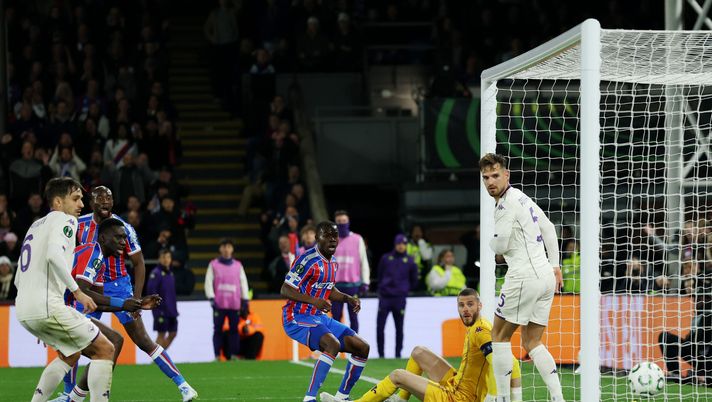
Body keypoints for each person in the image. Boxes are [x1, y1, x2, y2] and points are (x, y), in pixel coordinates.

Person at [76, 186, 197, 401]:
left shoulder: (124, 228)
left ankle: (183, 385)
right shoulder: (79, 224)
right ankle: (70, 395)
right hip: (90, 287)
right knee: (76, 339)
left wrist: (138, 299)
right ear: (90, 201)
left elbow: (139, 263)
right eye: (100, 198)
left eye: (109, 198)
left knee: (143, 340)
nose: (105, 202)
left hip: (119, 286)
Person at [321, 288, 523, 402]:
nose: (465, 310)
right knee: (419, 352)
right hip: (457, 383)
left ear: (480, 305)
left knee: (397, 376)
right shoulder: (479, 325)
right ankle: (401, 400)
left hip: (459, 399)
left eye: (470, 304)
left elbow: (504, 363)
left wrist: (498, 397)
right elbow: (508, 361)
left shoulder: (481, 331)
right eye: (461, 305)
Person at [13, 177, 113, 402]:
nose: (82, 205)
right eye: (76, 199)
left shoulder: (35, 226)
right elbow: (53, 255)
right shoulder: (65, 220)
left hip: (25, 309)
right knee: (105, 349)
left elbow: (19, 276)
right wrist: (77, 292)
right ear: (58, 202)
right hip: (47, 305)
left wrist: (38, 311)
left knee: (71, 353)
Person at [479, 153, 565, 402]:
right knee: (532, 340)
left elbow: (501, 244)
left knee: (498, 336)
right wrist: (555, 265)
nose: (490, 181)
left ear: (506, 175)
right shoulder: (521, 196)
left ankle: (504, 398)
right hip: (546, 277)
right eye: (486, 177)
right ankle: (558, 398)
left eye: (495, 175)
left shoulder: (505, 206)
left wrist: (492, 246)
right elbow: (548, 227)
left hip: (524, 276)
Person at [55, 217, 162, 402]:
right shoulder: (93, 254)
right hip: (57, 306)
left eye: (124, 237)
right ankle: (75, 398)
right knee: (111, 343)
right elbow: (83, 290)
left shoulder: (100, 261)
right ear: (103, 238)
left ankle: (72, 398)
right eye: (119, 238)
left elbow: (96, 302)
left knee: (108, 344)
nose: (123, 242)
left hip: (57, 306)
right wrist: (123, 303)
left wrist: (136, 303)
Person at [282, 221, 370, 401]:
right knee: (333, 344)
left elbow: (329, 289)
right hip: (296, 317)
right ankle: (309, 398)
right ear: (317, 238)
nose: (332, 239)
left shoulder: (333, 263)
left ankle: (342, 397)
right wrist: (314, 301)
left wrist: (348, 298)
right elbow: (286, 289)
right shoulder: (306, 260)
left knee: (361, 347)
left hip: (318, 317)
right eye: (327, 235)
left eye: (335, 236)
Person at [659, 265, 712, 384]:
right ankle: (675, 373)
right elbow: (694, 337)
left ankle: (704, 376)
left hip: (707, 357)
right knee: (665, 337)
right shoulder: (698, 313)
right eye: (695, 298)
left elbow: (705, 339)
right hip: (697, 353)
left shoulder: (708, 313)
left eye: (700, 298)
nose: (696, 301)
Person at [205, 238, 249, 361]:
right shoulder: (213, 264)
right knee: (217, 330)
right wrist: (211, 298)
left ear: (232, 249)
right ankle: (217, 355)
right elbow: (208, 281)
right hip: (219, 303)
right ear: (220, 249)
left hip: (234, 303)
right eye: (224, 246)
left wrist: (245, 299)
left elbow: (243, 282)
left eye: (228, 246)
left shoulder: (238, 265)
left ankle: (234, 355)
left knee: (234, 330)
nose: (226, 249)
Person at [376, 234, 418, 358]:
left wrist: (404, 289)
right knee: (380, 327)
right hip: (385, 298)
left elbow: (414, 280)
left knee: (399, 328)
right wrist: (383, 288)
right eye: (399, 243)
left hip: (399, 298)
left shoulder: (410, 261)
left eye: (404, 244)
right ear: (395, 244)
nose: (401, 246)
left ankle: (398, 354)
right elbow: (380, 275)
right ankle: (381, 355)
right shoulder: (386, 258)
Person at [332, 210, 370, 332]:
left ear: (348, 222)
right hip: (335, 286)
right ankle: (335, 348)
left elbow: (363, 261)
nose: (342, 224)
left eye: (344, 221)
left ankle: (355, 349)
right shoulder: (331, 240)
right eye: (339, 222)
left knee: (353, 318)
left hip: (353, 286)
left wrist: (365, 282)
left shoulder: (357, 239)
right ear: (335, 223)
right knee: (335, 318)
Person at [147, 249, 178, 349]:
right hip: (161, 310)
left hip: (171, 310)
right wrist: (156, 310)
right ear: (159, 259)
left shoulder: (171, 273)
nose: (166, 260)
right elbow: (151, 293)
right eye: (163, 257)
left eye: (168, 257)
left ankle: (160, 357)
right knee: (161, 335)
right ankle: (156, 359)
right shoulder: (156, 273)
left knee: (173, 333)